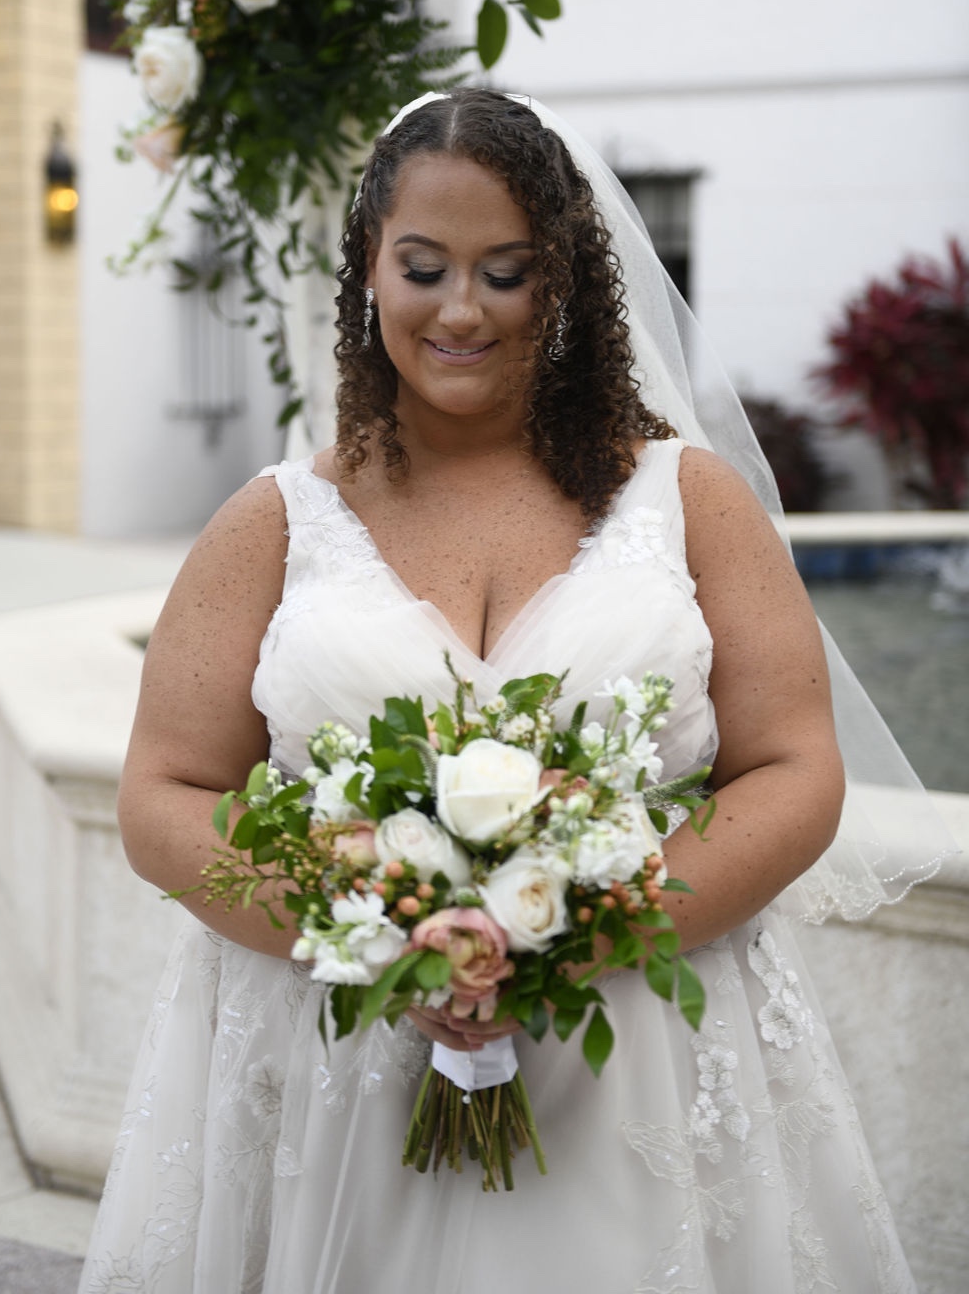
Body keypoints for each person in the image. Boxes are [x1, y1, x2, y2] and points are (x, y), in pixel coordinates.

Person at [78, 89, 941, 1294]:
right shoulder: (273, 522)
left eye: (507, 271)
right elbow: (162, 796)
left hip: (639, 1050)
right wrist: (382, 938)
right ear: (367, 270)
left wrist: (571, 934)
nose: (461, 310)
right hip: (338, 1074)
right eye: (424, 266)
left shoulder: (688, 501)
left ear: (567, 282)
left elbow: (794, 768)